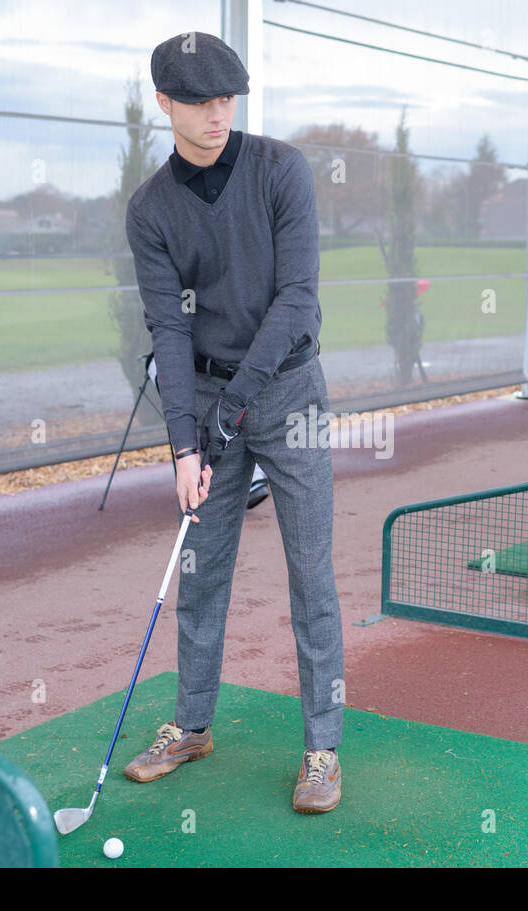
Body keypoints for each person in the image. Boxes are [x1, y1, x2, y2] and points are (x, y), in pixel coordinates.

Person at [121, 32, 344, 813]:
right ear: (165, 105)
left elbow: (297, 304)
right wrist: (184, 442)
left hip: (288, 394)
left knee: (310, 572)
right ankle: (191, 723)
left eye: (227, 100)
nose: (217, 115)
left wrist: (225, 417)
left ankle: (322, 748)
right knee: (200, 569)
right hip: (211, 408)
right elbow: (170, 333)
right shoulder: (150, 209)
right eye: (199, 102)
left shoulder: (281, 170)